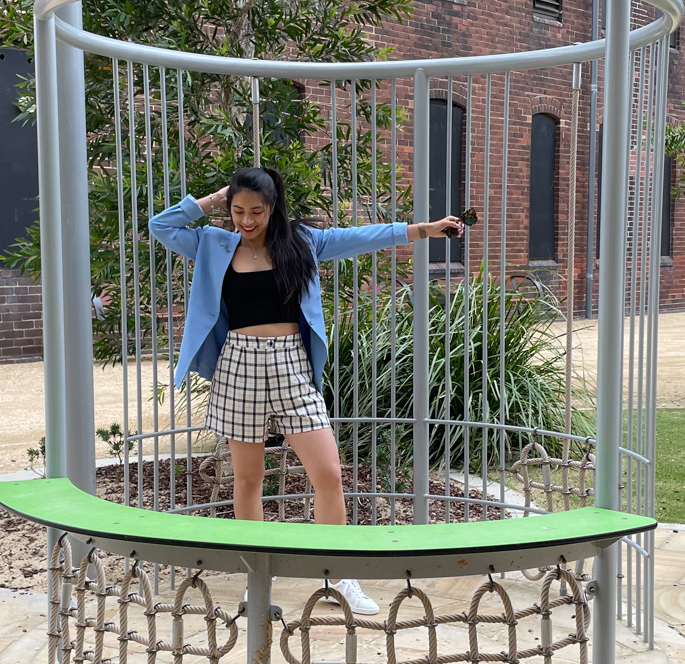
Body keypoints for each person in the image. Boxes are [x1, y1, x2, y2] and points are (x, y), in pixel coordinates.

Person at [149, 166, 463, 615]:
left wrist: (423, 229)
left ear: (273, 208)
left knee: (328, 473)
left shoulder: (301, 243)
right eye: (238, 210)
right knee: (247, 479)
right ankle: (256, 581)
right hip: (238, 365)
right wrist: (211, 201)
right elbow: (160, 225)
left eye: (256, 211)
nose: (247, 220)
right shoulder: (212, 243)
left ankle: (338, 574)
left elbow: (362, 236)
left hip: (292, 366)